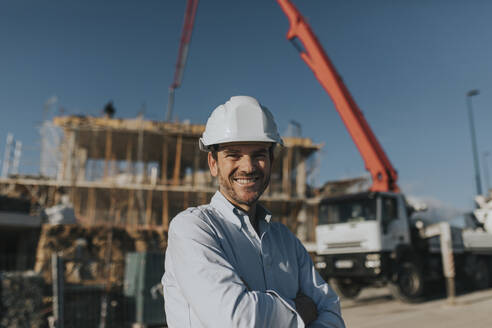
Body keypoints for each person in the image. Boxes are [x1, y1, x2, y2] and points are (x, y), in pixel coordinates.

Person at [162, 96, 345, 327]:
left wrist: (263, 311)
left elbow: (332, 312)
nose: (248, 167)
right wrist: (301, 310)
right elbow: (236, 320)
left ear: (271, 161)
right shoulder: (193, 229)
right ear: (213, 163)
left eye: (259, 154)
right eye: (234, 154)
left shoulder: (286, 241)